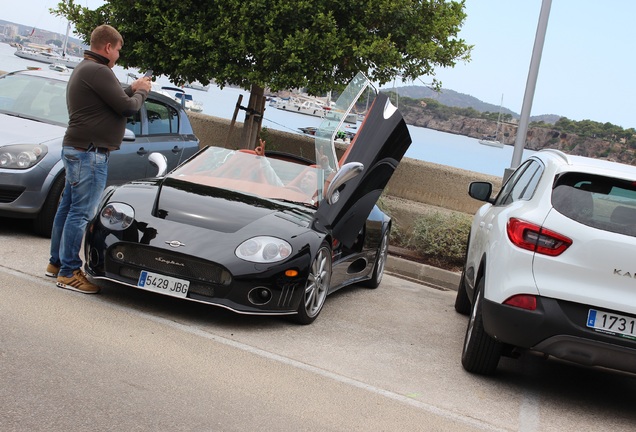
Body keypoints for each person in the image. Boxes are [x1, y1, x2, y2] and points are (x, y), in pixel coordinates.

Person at [46, 24, 152, 294]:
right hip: (89, 154)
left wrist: (131, 87)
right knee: (80, 214)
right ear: (108, 47)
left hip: (78, 148)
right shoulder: (99, 70)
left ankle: (56, 264)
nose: (118, 55)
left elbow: (113, 99)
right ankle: (69, 271)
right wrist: (141, 91)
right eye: (118, 50)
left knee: (67, 209)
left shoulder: (87, 68)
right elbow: (127, 107)